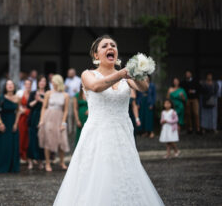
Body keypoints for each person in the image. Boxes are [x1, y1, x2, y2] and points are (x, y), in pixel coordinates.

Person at [54, 35, 164, 205]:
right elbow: (97, 87)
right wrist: (122, 73)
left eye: (113, 45)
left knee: (125, 173)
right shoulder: (88, 74)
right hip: (97, 133)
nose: (110, 47)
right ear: (96, 55)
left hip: (122, 133)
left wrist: (137, 71)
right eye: (104, 46)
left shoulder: (127, 77)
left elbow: (144, 88)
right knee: (98, 175)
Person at [0, 79, 21, 173]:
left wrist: (16, 123)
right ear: (5, 87)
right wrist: (0, 123)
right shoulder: (2, 97)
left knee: (12, 145)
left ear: (14, 87)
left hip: (13, 122)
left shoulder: (17, 98)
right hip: (3, 122)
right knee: (3, 146)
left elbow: (18, 111)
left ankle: (12, 167)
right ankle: (2, 167)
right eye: (8, 84)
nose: (10, 86)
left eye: (11, 84)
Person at [38, 74, 70, 172]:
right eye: (52, 82)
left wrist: (63, 122)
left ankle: (61, 162)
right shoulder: (48, 93)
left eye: (54, 82)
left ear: (58, 83)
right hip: (49, 117)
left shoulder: (65, 95)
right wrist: (42, 120)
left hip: (59, 118)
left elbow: (65, 110)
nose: (52, 84)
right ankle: (47, 163)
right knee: (48, 139)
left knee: (62, 140)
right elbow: (44, 107)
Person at [27, 76, 47, 169]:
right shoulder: (33, 93)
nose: (42, 83)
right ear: (38, 83)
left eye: (44, 81)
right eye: (41, 81)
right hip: (34, 117)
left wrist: (41, 100)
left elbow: (49, 105)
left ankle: (40, 161)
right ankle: (30, 161)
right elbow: (29, 105)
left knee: (41, 139)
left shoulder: (48, 93)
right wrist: (36, 100)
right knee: (32, 139)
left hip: (43, 116)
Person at [18, 79, 32, 162]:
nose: (28, 86)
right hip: (22, 117)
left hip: (30, 117)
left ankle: (28, 155)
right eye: (26, 84)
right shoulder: (20, 93)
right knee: (22, 136)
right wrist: (24, 110)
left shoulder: (33, 94)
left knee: (29, 137)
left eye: (29, 84)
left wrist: (26, 110)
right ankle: (21, 155)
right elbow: (18, 106)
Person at [64, 68, 81, 134]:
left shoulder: (78, 80)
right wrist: (65, 87)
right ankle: (69, 130)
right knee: (69, 114)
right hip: (69, 99)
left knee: (75, 114)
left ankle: (74, 129)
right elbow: (64, 90)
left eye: (69, 73)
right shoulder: (67, 80)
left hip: (76, 98)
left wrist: (76, 90)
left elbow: (81, 90)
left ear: (73, 73)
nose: (68, 74)